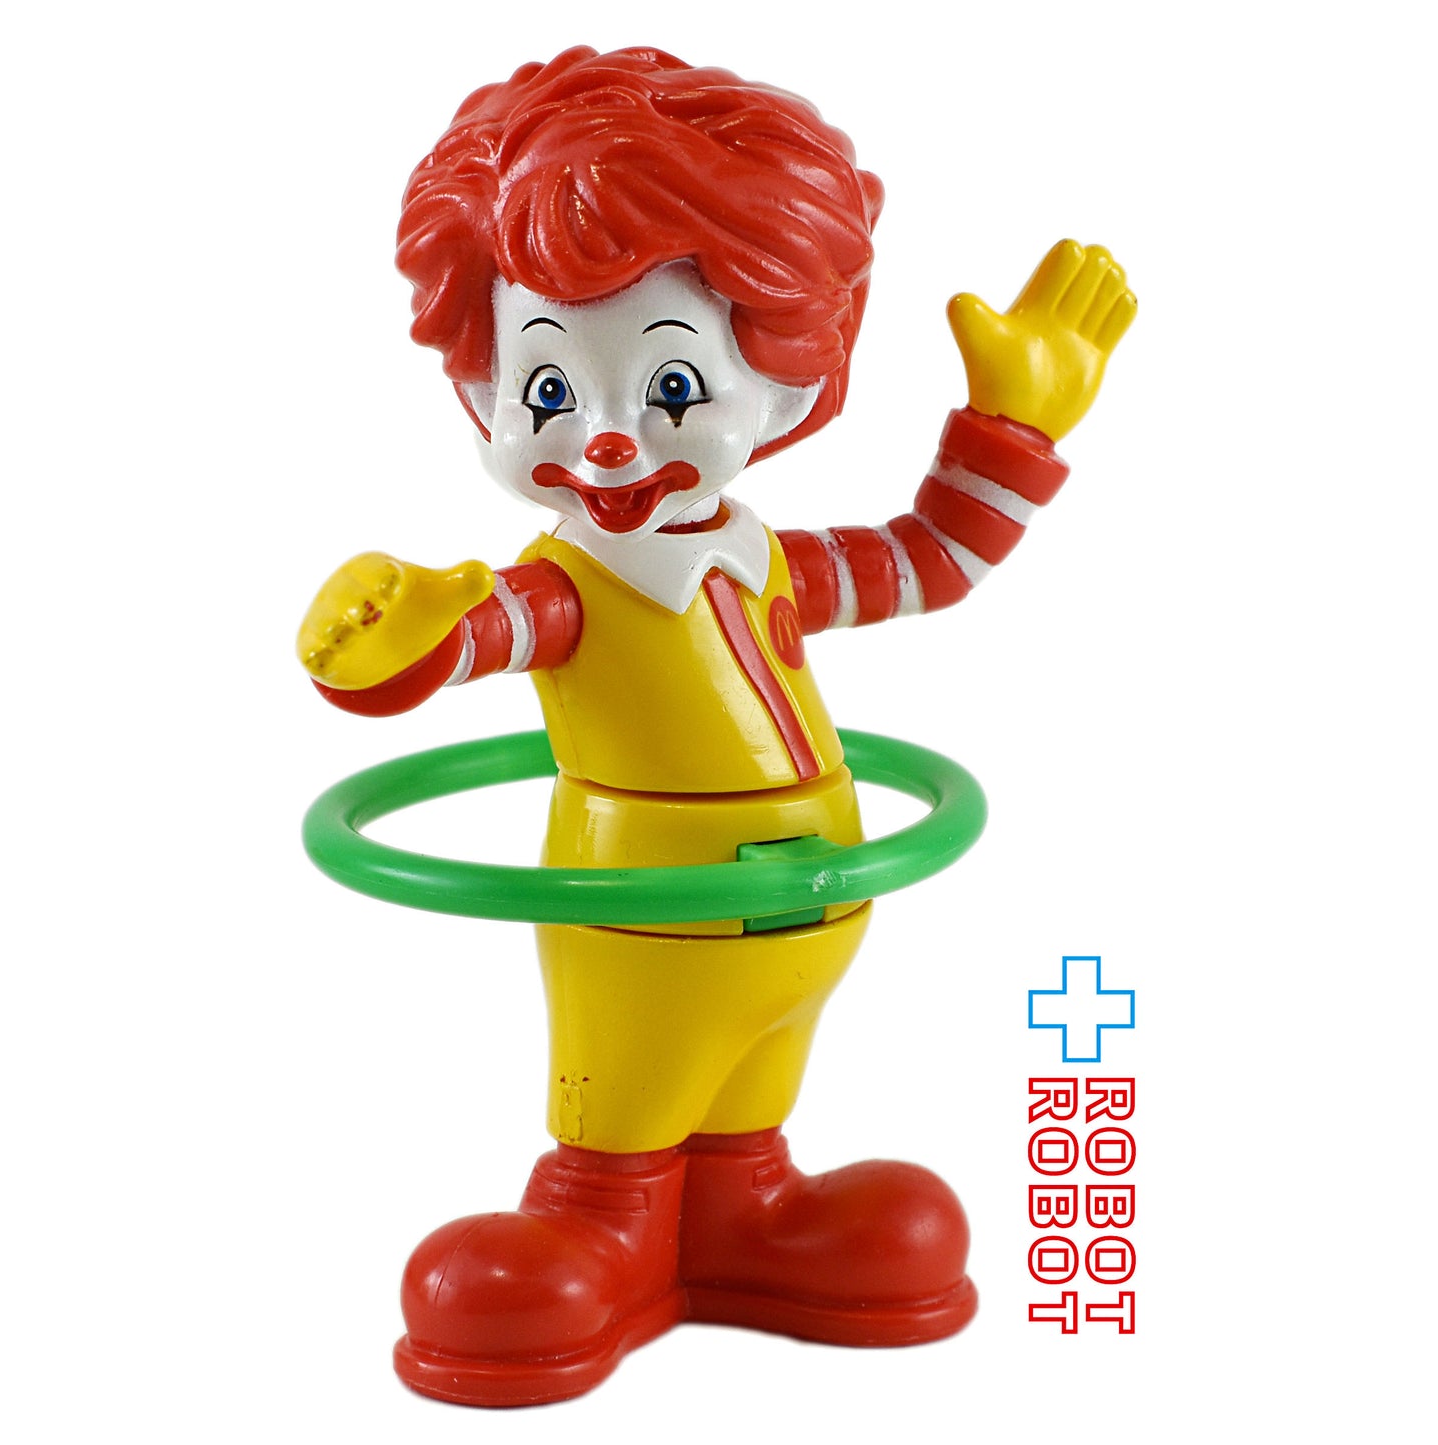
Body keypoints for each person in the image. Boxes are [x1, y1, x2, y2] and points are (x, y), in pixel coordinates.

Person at [298, 45, 1134, 1406]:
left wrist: (1012, 425)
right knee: (629, 1102)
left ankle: (747, 1208)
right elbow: (466, 637)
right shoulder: (566, 591)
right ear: (480, 391)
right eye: (547, 392)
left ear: (789, 382)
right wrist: (389, 637)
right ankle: (598, 1221)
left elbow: (930, 558)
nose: (607, 440)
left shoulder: (767, 563)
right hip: (646, 921)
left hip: (803, 916)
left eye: (672, 387)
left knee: (754, 1093)